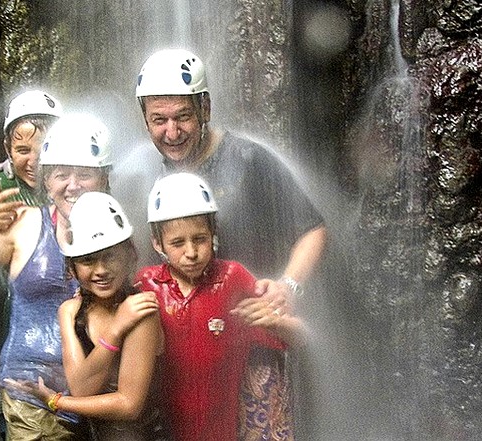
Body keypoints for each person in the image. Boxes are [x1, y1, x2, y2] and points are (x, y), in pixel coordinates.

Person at [121, 48, 328, 440]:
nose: (172, 132)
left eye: (182, 117)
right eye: (158, 121)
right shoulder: (141, 172)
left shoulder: (249, 161)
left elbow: (313, 229)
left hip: (251, 343)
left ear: (205, 107)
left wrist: (289, 286)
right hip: (178, 346)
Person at [0, 112, 125, 440]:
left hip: (100, 398)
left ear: (104, 177)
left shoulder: (121, 232)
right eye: (61, 175)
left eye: (85, 174)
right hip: (32, 399)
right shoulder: (26, 225)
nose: (72, 185)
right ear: (47, 182)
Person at [134, 172, 306, 441]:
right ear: (157, 243)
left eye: (200, 239)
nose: (191, 252)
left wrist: (275, 321)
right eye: (177, 243)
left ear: (213, 233)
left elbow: (301, 338)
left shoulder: (231, 279)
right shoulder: (146, 284)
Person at [6, 191, 170, 440]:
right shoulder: (69, 312)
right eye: (88, 260)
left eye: (111, 256)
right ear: (72, 268)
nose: (101, 270)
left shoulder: (141, 310)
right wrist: (115, 331)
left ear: (130, 256)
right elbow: (82, 388)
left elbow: (129, 405)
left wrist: (56, 401)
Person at [0, 89, 63, 245]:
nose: (34, 162)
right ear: (8, 149)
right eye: (23, 150)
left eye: (44, 150)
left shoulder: (71, 182)